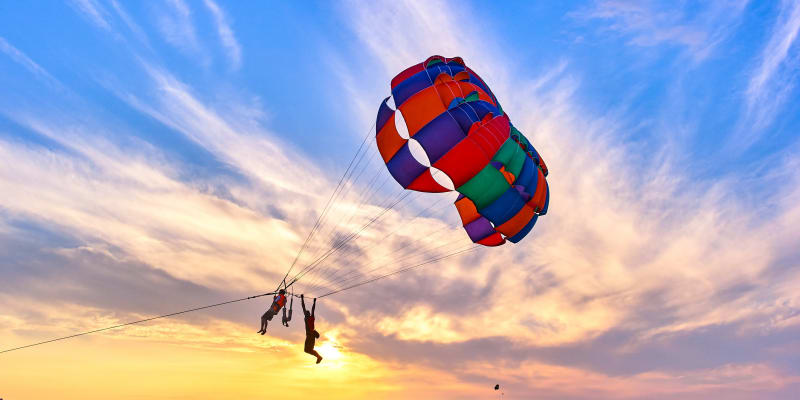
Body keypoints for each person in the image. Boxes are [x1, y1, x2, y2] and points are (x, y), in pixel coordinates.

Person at [301, 294, 322, 364]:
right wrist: (314, 302)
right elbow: (312, 309)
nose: (306, 313)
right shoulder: (311, 317)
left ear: (307, 314)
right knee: (308, 349)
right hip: (312, 334)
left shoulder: (307, 318)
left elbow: (304, 307)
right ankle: (319, 357)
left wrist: (302, 298)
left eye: (306, 313)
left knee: (307, 350)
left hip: (310, 335)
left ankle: (319, 357)